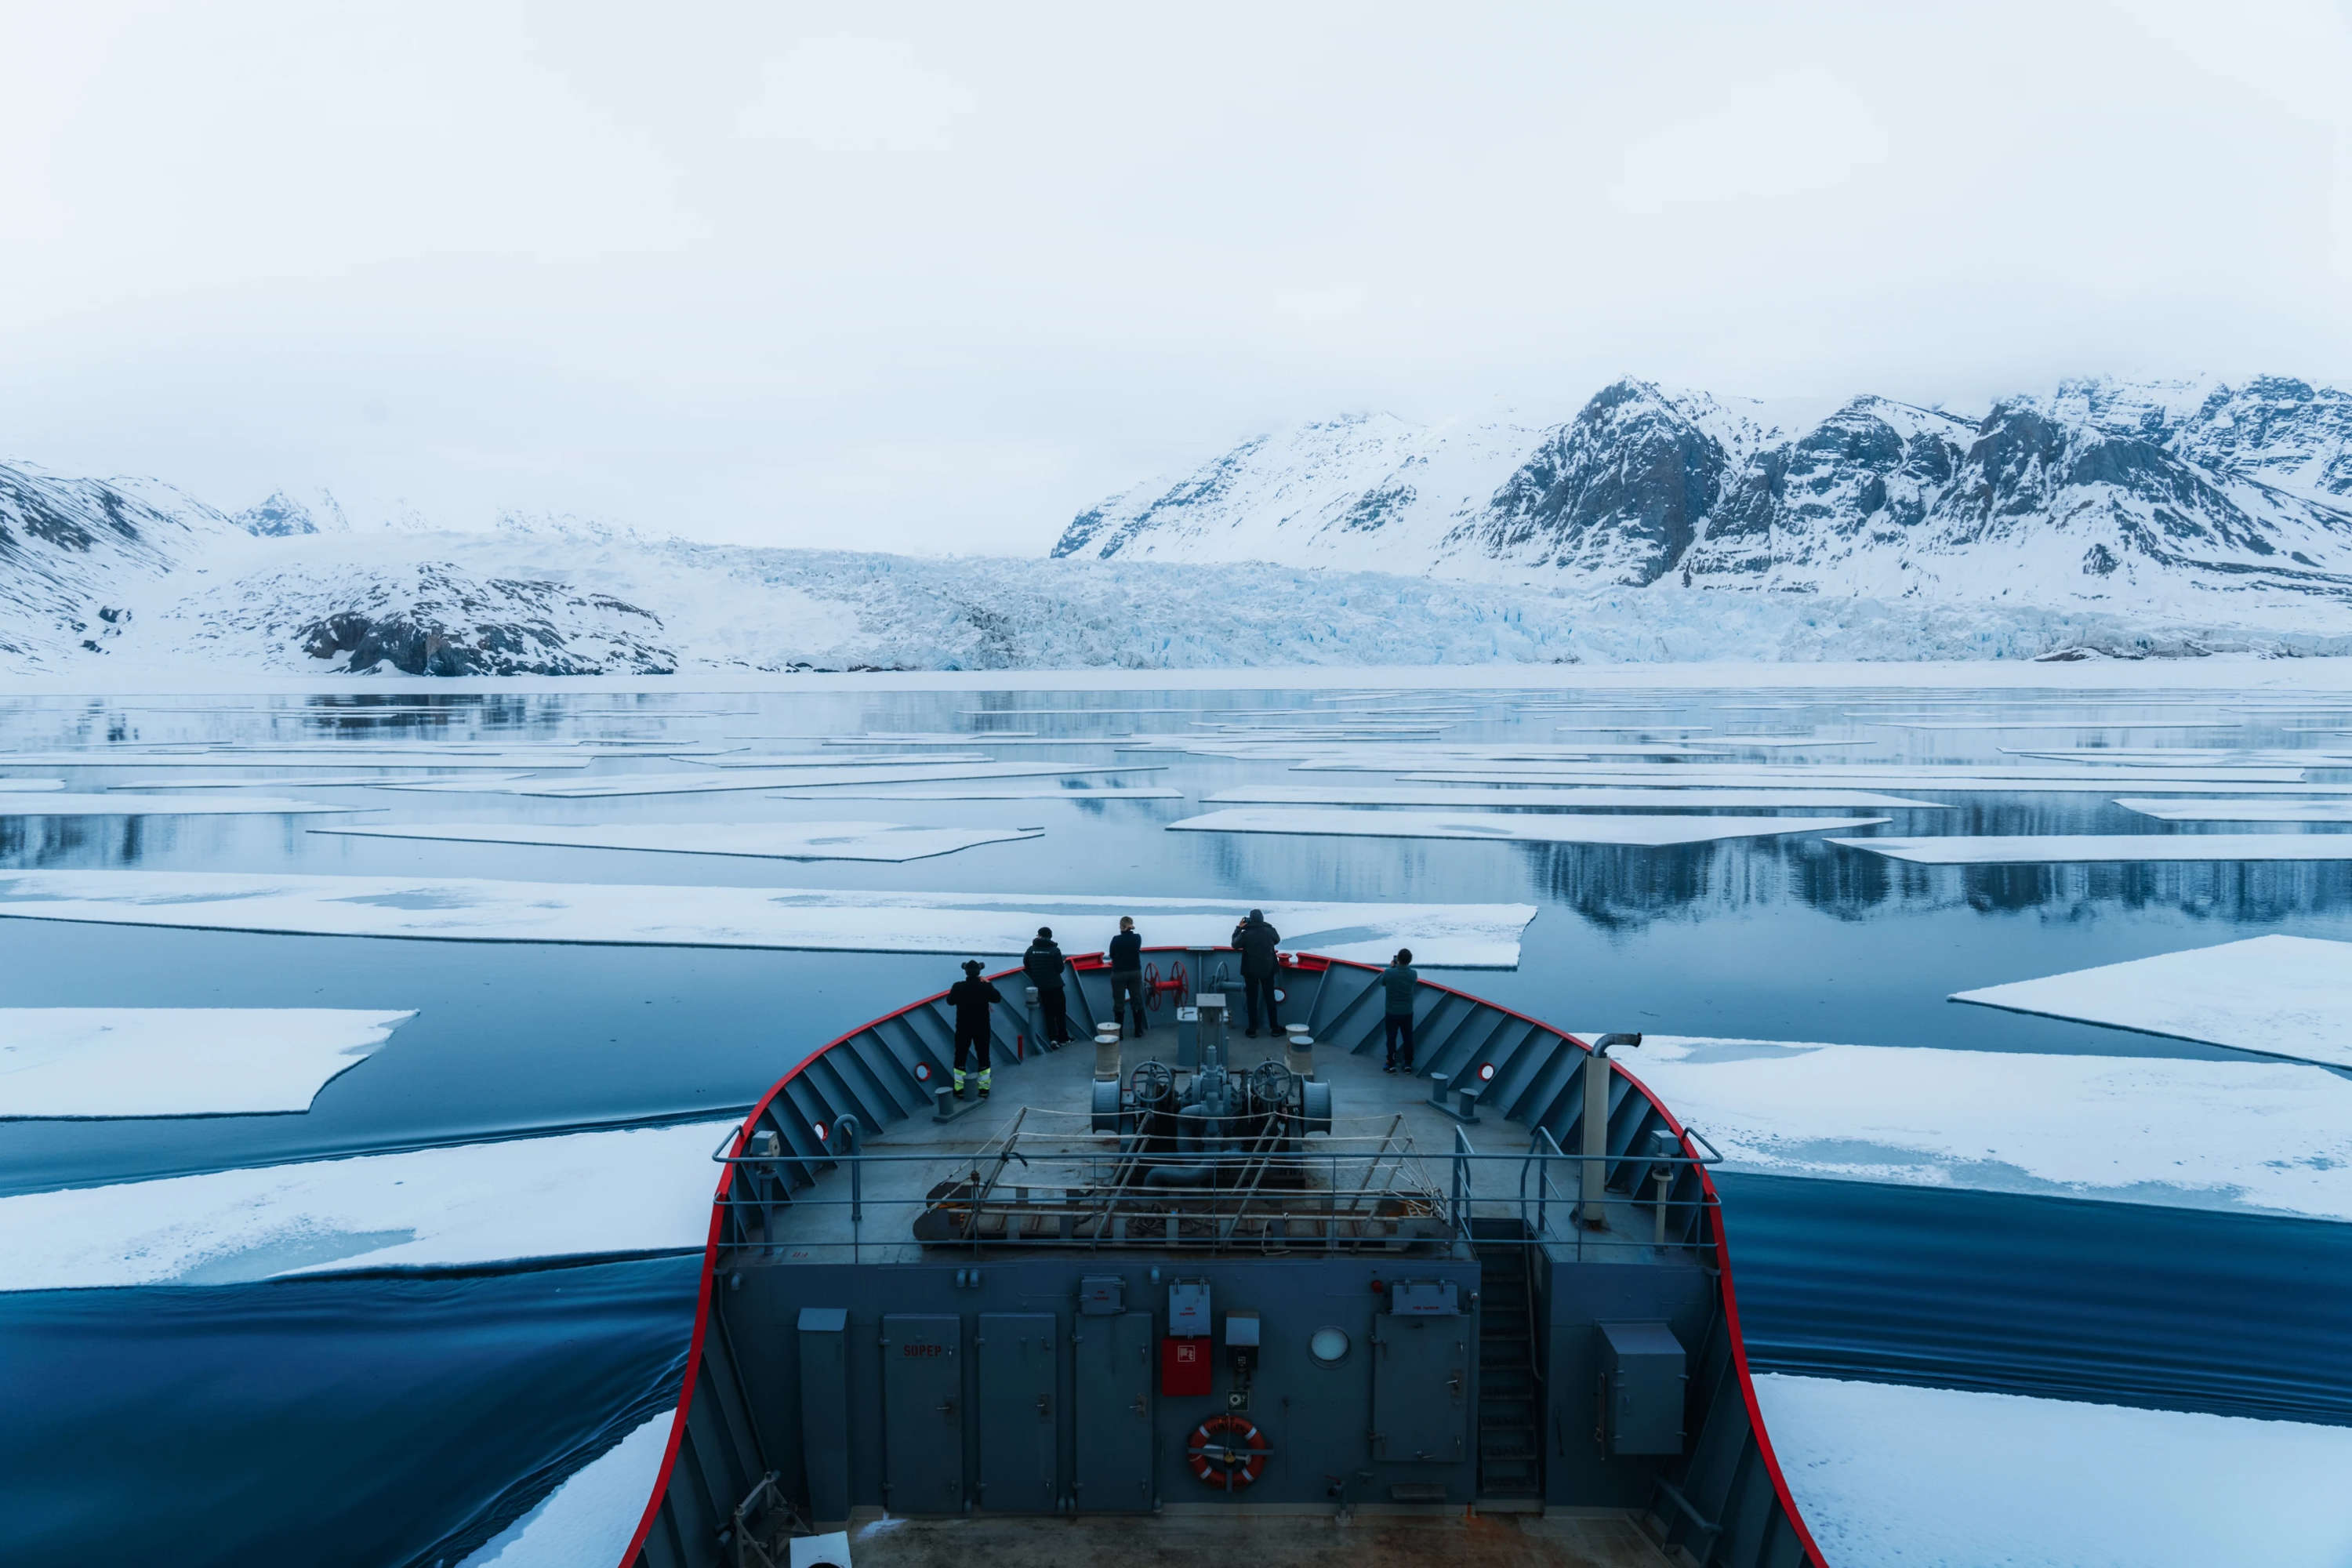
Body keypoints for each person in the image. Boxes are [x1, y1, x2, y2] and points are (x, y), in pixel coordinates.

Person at [946, 960, 1003, 1098]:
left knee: (960, 1057)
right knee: (983, 1056)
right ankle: (984, 1089)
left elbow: (950, 1001)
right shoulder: (985, 987)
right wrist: (989, 984)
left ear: (966, 972)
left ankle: (959, 1089)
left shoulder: (958, 987)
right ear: (979, 972)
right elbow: (997, 998)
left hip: (963, 1028)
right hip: (982, 1027)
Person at [1230, 908, 1281, 1037]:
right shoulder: (1269, 931)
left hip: (1251, 971)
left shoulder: (1246, 934)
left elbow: (1235, 944)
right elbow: (1277, 939)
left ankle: (1252, 1029)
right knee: (1270, 999)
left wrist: (1238, 928)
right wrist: (1265, 926)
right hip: (1268, 970)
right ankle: (1275, 1028)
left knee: (1252, 1000)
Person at [1022, 925, 1072, 1045]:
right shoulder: (1055, 950)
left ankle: (1053, 1038)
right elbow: (1060, 969)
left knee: (1048, 1013)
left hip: (1041, 986)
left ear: (1039, 935)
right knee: (1060, 1012)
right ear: (1050, 937)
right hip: (1056, 986)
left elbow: (1026, 964)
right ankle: (1063, 1038)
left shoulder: (1031, 950)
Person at [1107, 915, 1146, 1037]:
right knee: (1137, 1000)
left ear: (1121, 926)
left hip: (1119, 973)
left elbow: (1112, 954)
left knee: (1119, 1003)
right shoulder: (1137, 938)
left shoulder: (1115, 939)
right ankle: (1138, 1031)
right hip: (1135, 972)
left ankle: (1119, 1034)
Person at [1381, 948, 1418, 1074]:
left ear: (1399, 960)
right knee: (1408, 1038)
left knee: (1391, 1038)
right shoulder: (1413, 974)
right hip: (1407, 1012)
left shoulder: (1389, 972)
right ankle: (1408, 1063)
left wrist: (1392, 967)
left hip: (1391, 1012)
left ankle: (1391, 1064)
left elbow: (1383, 982)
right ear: (1410, 961)